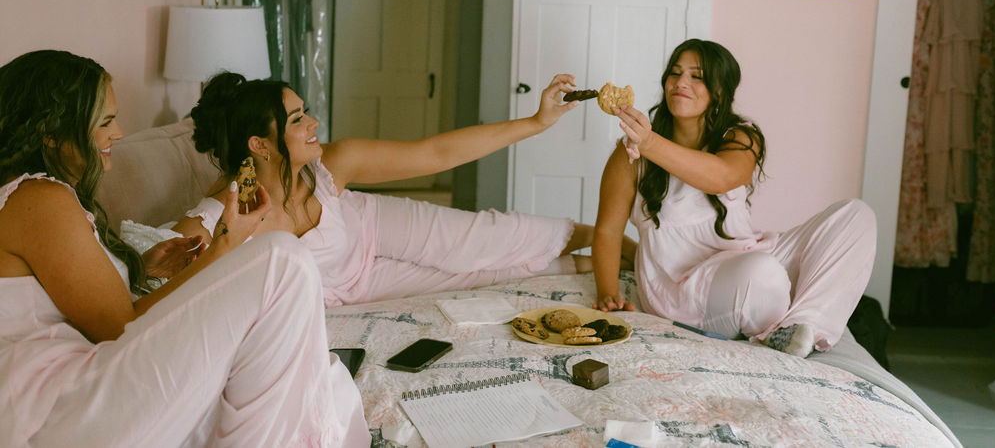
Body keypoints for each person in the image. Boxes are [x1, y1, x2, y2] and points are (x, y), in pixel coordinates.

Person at [0, 50, 369, 447]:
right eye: (105, 122)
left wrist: (142, 268)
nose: (119, 133)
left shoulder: (35, 199)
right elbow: (121, 329)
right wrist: (222, 247)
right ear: (51, 133)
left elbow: (75, 302)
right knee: (283, 259)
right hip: (61, 408)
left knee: (304, 365)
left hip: (75, 393)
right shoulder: (39, 198)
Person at [173, 71, 596, 307]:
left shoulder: (329, 167)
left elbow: (435, 154)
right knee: (481, 277)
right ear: (259, 145)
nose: (312, 124)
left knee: (486, 238)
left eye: (306, 112)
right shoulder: (218, 218)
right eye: (297, 119)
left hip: (369, 227)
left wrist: (537, 122)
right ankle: (598, 265)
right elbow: (160, 283)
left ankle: (610, 239)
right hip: (355, 285)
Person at [591, 39, 876, 357]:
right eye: (675, 73)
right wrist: (607, 293)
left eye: (697, 76)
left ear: (721, 90)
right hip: (685, 290)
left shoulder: (740, 136)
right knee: (762, 273)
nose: (681, 82)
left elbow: (721, 177)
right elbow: (607, 231)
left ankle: (800, 324)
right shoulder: (630, 154)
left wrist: (648, 141)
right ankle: (781, 316)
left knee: (855, 215)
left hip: (745, 256)